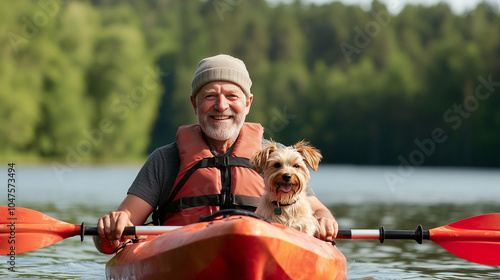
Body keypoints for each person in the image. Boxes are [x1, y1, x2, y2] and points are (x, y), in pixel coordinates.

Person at [94, 54, 338, 254]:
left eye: (232, 96)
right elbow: (115, 235)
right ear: (194, 103)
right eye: (210, 96)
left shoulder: (277, 160)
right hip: (184, 256)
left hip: (258, 253)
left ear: (248, 103)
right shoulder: (165, 159)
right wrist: (112, 226)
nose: (221, 106)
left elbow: (317, 211)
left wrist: (326, 219)